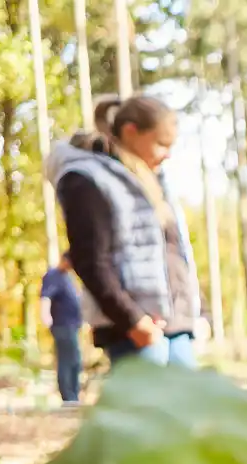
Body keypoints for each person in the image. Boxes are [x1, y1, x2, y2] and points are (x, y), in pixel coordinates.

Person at [44, 93, 202, 371]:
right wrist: (133, 320)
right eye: (161, 143)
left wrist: (200, 314)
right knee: (147, 412)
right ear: (131, 132)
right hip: (133, 330)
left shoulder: (155, 180)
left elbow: (175, 253)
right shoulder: (87, 178)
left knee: (188, 411)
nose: (168, 154)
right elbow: (90, 259)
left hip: (176, 324)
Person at [39, 253, 84, 405]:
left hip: (72, 326)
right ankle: (68, 396)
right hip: (62, 325)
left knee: (75, 361)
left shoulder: (68, 277)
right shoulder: (53, 276)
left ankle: (74, 395)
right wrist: (45, 316)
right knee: (67, 360)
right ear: (64, 260)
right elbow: (46, 297)